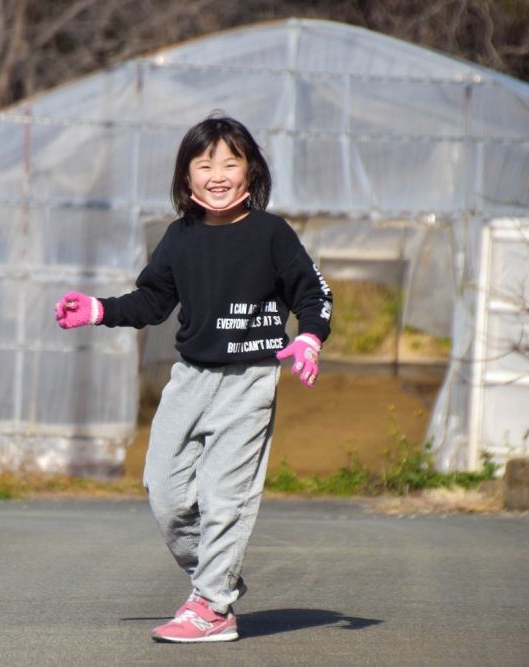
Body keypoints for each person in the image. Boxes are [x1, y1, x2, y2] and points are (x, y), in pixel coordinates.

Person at [54, 114, 332, 643]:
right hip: (190, 382)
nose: (218, 173)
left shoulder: (272, 234)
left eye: (231, 162)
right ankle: (215, 580)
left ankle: (212, 606)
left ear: (251, 173)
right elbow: (153, 300)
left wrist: (309, 338)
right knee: (166, 493)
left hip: (249, 380)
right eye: (205, 164)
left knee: (224, 495)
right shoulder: (178, 239)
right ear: (187, 179)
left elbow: (313, 295)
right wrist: (97, 309)